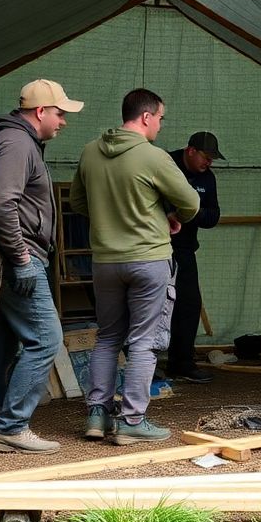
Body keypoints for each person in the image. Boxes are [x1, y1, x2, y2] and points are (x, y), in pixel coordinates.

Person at [70, 88, 199, 445]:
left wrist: (109, 217)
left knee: (108, 337)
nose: (160, 123)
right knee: (144, 342)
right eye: (160, 117)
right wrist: (171, 216)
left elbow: (78, 202)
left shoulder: (90, 151)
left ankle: (97, 414)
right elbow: (190, 202)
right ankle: (132, 420)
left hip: (105, 261)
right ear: (145, 117)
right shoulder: (153, 156)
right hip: (148, 259)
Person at [0, 79, 84, 454]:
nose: (63, 121)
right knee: (46, 339)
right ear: (40, 112)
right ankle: (12, 427)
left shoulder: (14, 142)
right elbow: (2, 205)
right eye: (60, 113)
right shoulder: (18, 145)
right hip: (13, 257)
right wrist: (21, 259)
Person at [164, 131, 224, 383]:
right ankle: (137, 364)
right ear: (190, 151)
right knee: (148, 305)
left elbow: (213, 216)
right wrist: (170, 213)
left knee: (188, 304)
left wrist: (188, 213)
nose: (208, 163)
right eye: (206, 157)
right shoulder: (165, 165)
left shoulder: (207, 179)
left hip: (185, 250)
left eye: (212, 159)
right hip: (153, 246)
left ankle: (182, 363)